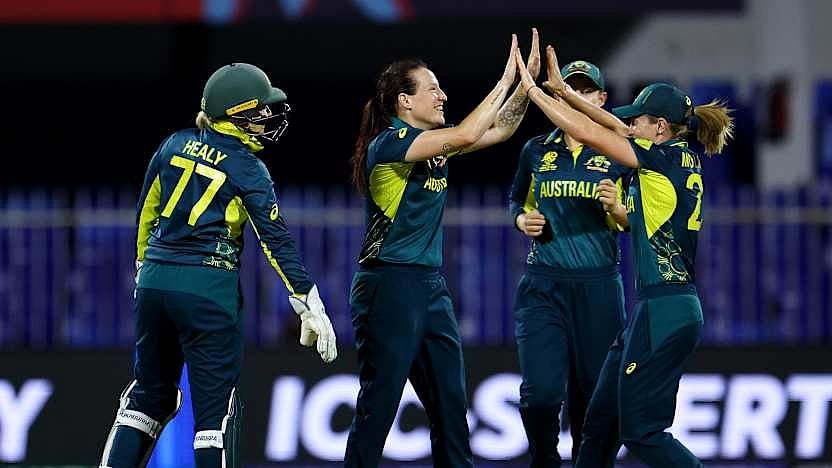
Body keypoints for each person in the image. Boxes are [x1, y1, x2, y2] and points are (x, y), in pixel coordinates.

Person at [99, 63, 337, 468]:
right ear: (237, 113)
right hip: (208, 289)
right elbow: (273, 238)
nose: (267, 117)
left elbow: (146, 215)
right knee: (214, 418)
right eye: (260, 110)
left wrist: (144, 269)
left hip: (155, 283)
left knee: (147, 399)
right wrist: (307, 300)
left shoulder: (172, 144)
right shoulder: (248, 168)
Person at [515, 44, 733, 468]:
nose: (630, 124)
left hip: (664, 310)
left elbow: (601, 135)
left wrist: (536, 94)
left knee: (642, 432)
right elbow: (613, 128)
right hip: (660, 309)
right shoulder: (673, 156)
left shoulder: (659, 161)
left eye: (639, 120)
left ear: (661, 127)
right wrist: (564, 89)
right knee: (599, 422)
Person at [344, 30, 539, 468]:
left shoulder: (433, 150)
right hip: (388, 285)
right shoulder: (390, 145)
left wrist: (526, 87)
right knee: (379, 408)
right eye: (432, 88)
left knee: (452, 409)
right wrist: (506, 78)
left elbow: (501, 129)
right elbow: (470, 134)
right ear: (404, 102)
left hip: (429, 288)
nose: (442, 95)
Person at [509, 59, 630, 467]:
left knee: (596, 399)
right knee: (541, 394)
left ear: (601, 99)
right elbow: (516, 200)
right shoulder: (536, 150)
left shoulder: (617, 151)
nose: (576, 96)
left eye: (584, 90)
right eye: (569, 89)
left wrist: (618, 209)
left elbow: (637, 222)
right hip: (544, 284)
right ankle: (544, 459)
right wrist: (521, 219)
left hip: (598, 287)